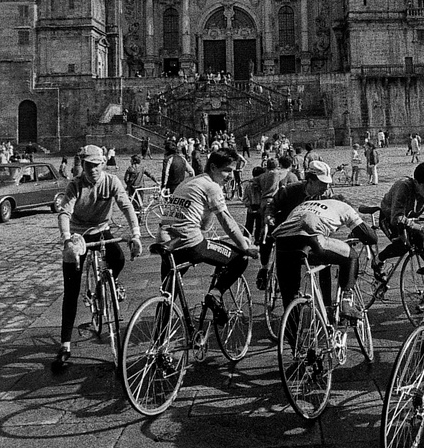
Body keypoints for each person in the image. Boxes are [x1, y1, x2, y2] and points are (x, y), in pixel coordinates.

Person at [51, 144, 142, 372]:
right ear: (83, 165)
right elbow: (64, 213)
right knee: (71, 288)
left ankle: (104, 286)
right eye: (89, 165)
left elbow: (126, 205)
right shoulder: (75, 185)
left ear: (103, 163)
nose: (93, 170)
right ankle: (65, 344)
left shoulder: (111, 181)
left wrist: (136, 235)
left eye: (96, 165)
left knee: (118, 259)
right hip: (78, 234)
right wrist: (67, 240)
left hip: (101, 229)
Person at [158, 147, 256, 323]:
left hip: (166, 241)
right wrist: (245, 246)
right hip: (190, 242)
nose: (230, 176)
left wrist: (210, 207)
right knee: (240, 258)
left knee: (168, 293)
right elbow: (228, 223)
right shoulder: (211, 186)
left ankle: (159, 340)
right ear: (212, 168)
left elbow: (204, 225)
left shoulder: (189, 182)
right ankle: (215, 294)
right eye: (227, 171)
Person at [272, 162, 377, 322]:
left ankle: (296, 341)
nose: (325, 188)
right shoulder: (292, 191)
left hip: (283, 239)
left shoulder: (312, 201)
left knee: (290, 298)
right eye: (322, 184)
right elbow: (371, 237)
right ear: (310, 180)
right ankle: (346, 302)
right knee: (350, 255)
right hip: (308, 237)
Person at [377, 161, 424, 277]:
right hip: (389, 218)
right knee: (403, 246)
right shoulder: (403, 186)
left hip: (410, 218)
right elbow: (396, 218)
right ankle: (378, 259)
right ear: (416, 182)